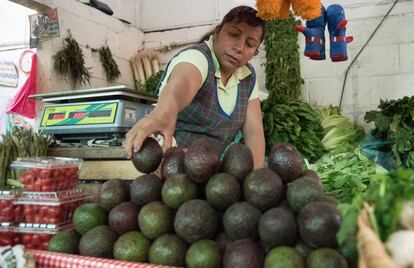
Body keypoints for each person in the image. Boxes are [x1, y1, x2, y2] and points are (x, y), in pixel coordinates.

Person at [126, 5, 266, 169]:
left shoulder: (247, 77)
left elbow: (254, 132)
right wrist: (164, 112)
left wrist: (255, 178)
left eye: (250, 44)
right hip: (172, 174)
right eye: (234, 35)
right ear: (218, 31)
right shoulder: (197, 58)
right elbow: (183, 82)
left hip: (215, 180)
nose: (239, 48)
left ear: (255, 52)